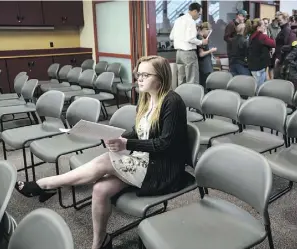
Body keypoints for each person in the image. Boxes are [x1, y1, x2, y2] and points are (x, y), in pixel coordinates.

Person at [14, 55, 190, 249]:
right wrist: (116, 136)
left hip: (162, 170)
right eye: (138, 74)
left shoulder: (172, 102)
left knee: (105, 161)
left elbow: (165, 143)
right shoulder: (145, 98)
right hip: (142, 161)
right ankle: (100, 243)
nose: (139, 79)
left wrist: (126, 144)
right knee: (99, 190)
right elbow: (140, 132)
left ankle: (45, 184)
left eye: (145, 75)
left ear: (161, 77)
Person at [170, 2, 208, 85]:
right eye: (199, 14)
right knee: (192, 80)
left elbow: (171, 37)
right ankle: (192, 98)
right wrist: (202, 42)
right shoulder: (191, 21)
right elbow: (190, 38)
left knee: (181, 80)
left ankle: (181, 97)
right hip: (188, 53)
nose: (199, 17)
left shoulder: (178, 20)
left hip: (179, 54)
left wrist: (180, 39)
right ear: (194, 11)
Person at [248, 20, 276, 89]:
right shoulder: (262, 36)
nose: (265, 27)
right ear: (258, 28)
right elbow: (273, 44)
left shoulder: (252, 36)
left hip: (254, 65)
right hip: (259, 67)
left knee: (263, 86)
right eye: (263, 25)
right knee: (258, 88)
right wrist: (266, 35)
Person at [273, 12, 297, 79]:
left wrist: (279, 58)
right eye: (278, 20)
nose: (278, 22)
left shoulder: (286, 30)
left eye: (280, 20)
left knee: (279, 79)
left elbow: (286, 45)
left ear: (286, 20)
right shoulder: (283, 29)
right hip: (280, 58)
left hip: (281, 59)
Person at [197, 22, 217, 90]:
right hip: (204, 67)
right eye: (208, 31)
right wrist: (211, 51)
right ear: (204, 30)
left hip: (207, 66)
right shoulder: (200, 39)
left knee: (209, 86)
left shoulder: (203, 39)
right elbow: (201, 54)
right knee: (204, 87)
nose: (209, 34)